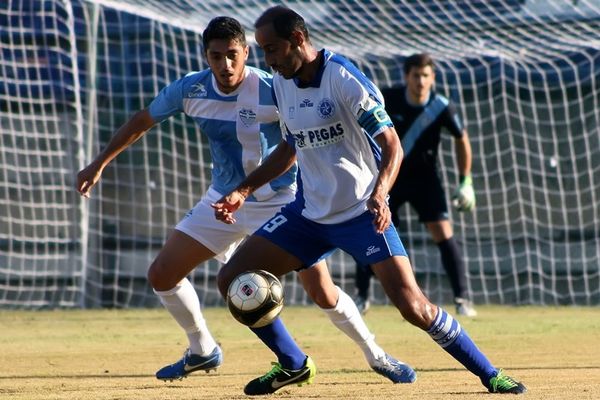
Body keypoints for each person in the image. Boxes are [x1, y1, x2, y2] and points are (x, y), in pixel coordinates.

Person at [75, 16, 411, 384]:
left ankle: (376, 355)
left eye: (232, 55)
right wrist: (98, 163)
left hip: (281, 201)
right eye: (215, 56)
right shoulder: (190, 90)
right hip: (222, 202)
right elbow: (142, 120)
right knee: (162, 274)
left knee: (321, 291)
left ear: (246, 53)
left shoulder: (274, 86)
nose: (225, 65)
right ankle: (203, 349)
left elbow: (299, 138)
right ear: (206, 57)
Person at [212, 6, 526, 396]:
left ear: (297, 40)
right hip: (307, 215)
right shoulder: (282, 82)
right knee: (230, 279)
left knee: (414, 307)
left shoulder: (344, 78)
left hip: (362, 213)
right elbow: (291, 145)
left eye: (272, 49)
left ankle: (490, 373)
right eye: (263, 51)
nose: (268, 60)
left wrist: (380, 194)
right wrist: (243, 189)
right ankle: (293, 364)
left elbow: (391, 143)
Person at [353, 53, 477, 318]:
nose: (421, 81)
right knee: (372, 233)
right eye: (416, 76)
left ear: (432, 79)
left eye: (425, 76)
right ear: (406, 76)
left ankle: (462, 298)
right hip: (389, 177)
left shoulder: (442, 106)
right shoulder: (389, 99)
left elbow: (461, 139)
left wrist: (465, 180)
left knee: (443, 233)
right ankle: (362, 296)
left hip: (426, 180)